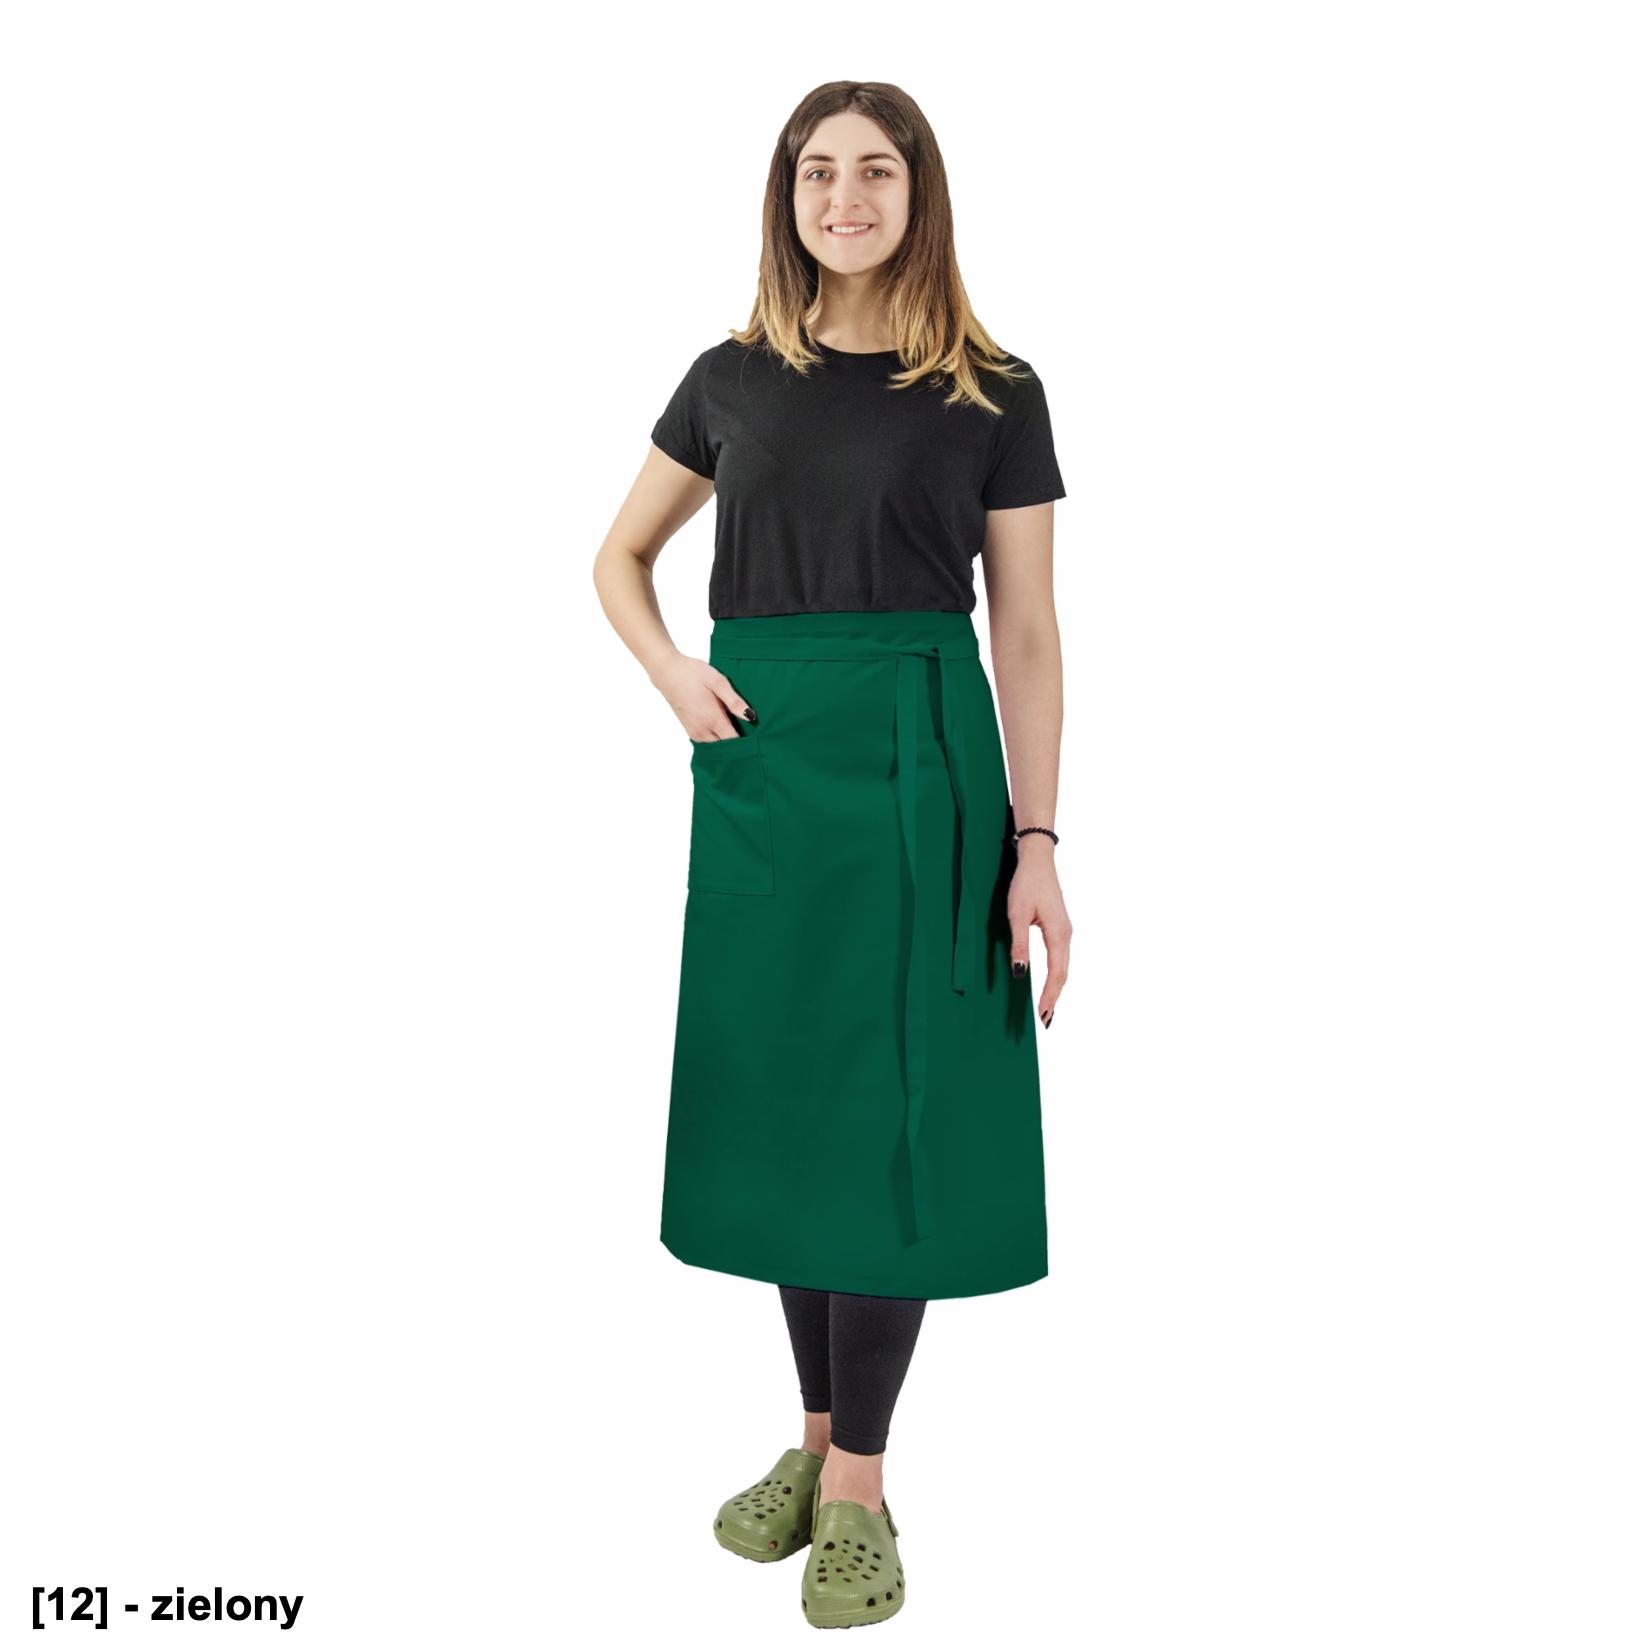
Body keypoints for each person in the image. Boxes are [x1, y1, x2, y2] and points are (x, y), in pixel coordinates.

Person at [592, 79, 1071, 1630]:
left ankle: (859, 1481)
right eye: (817, 172)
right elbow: (617, 555)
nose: (844, 198)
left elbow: (1027, 632)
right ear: (783, 195)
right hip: (763, 763)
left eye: (875, 171)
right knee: (792, 1106)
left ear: (919, 194)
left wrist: (1037, 841)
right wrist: (672, 673)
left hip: (924, 767)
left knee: (895, 1121)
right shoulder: (728, 378)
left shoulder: (992, 390)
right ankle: (812, 1444)